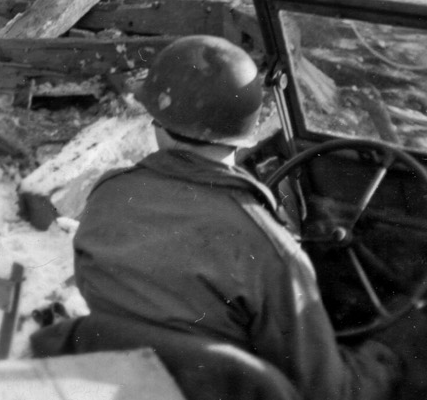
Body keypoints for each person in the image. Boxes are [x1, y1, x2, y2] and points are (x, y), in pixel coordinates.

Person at [72, 34, 403, 400]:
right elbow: (325, 390)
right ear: (245, 132)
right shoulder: (269, 251)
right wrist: (383, 359)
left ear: (156, 119)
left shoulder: (109, 194)